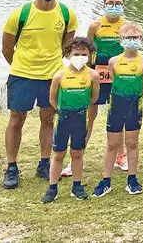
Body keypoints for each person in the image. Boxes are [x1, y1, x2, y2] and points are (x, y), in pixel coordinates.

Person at [3, 0, 78, 190]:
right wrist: (22, 67)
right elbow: (7, 48)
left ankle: (44, 164)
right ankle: (12, 167)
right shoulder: (20, 14)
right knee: (16, 120)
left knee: (48, 119)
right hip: (22, 76)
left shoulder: (66, 14)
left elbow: (67, 46)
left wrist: (54, 69)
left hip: (52, 76)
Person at [92, 22, 143, 197]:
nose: (131, 41)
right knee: (112, 144)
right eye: (127, 38)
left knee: (132, 143)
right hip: (116, 105)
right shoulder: (114, 61)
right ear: (120, 40)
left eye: (135, 38)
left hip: (134, 106)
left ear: (142, 39)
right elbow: (112, 80)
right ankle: (106, 180)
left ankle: (132, 179)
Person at [40, 37, 99, 203]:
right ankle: (52, 188)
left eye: (84, 54)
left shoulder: (93, 75)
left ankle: (77, 186)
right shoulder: (59, 75)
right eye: (76, 54)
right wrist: (61, 111)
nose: (80, 57)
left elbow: (93, 97)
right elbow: (52, 98)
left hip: (80, 118)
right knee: (58, 154)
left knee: (77, 153)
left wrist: (81, 108)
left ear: (90, 55)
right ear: (68, 54)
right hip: (63, 119)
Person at [79, 0, 126, 178]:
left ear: (123, 4)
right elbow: (86, 52)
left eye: (117, 3)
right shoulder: (95, 26)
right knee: (90, 115)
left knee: (118, 116)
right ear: (104, 4)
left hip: (119, 76)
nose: (113, 6)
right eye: (110, 3)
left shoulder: (128, 26)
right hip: (97, 75)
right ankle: (78, 155)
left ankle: (120, 156)